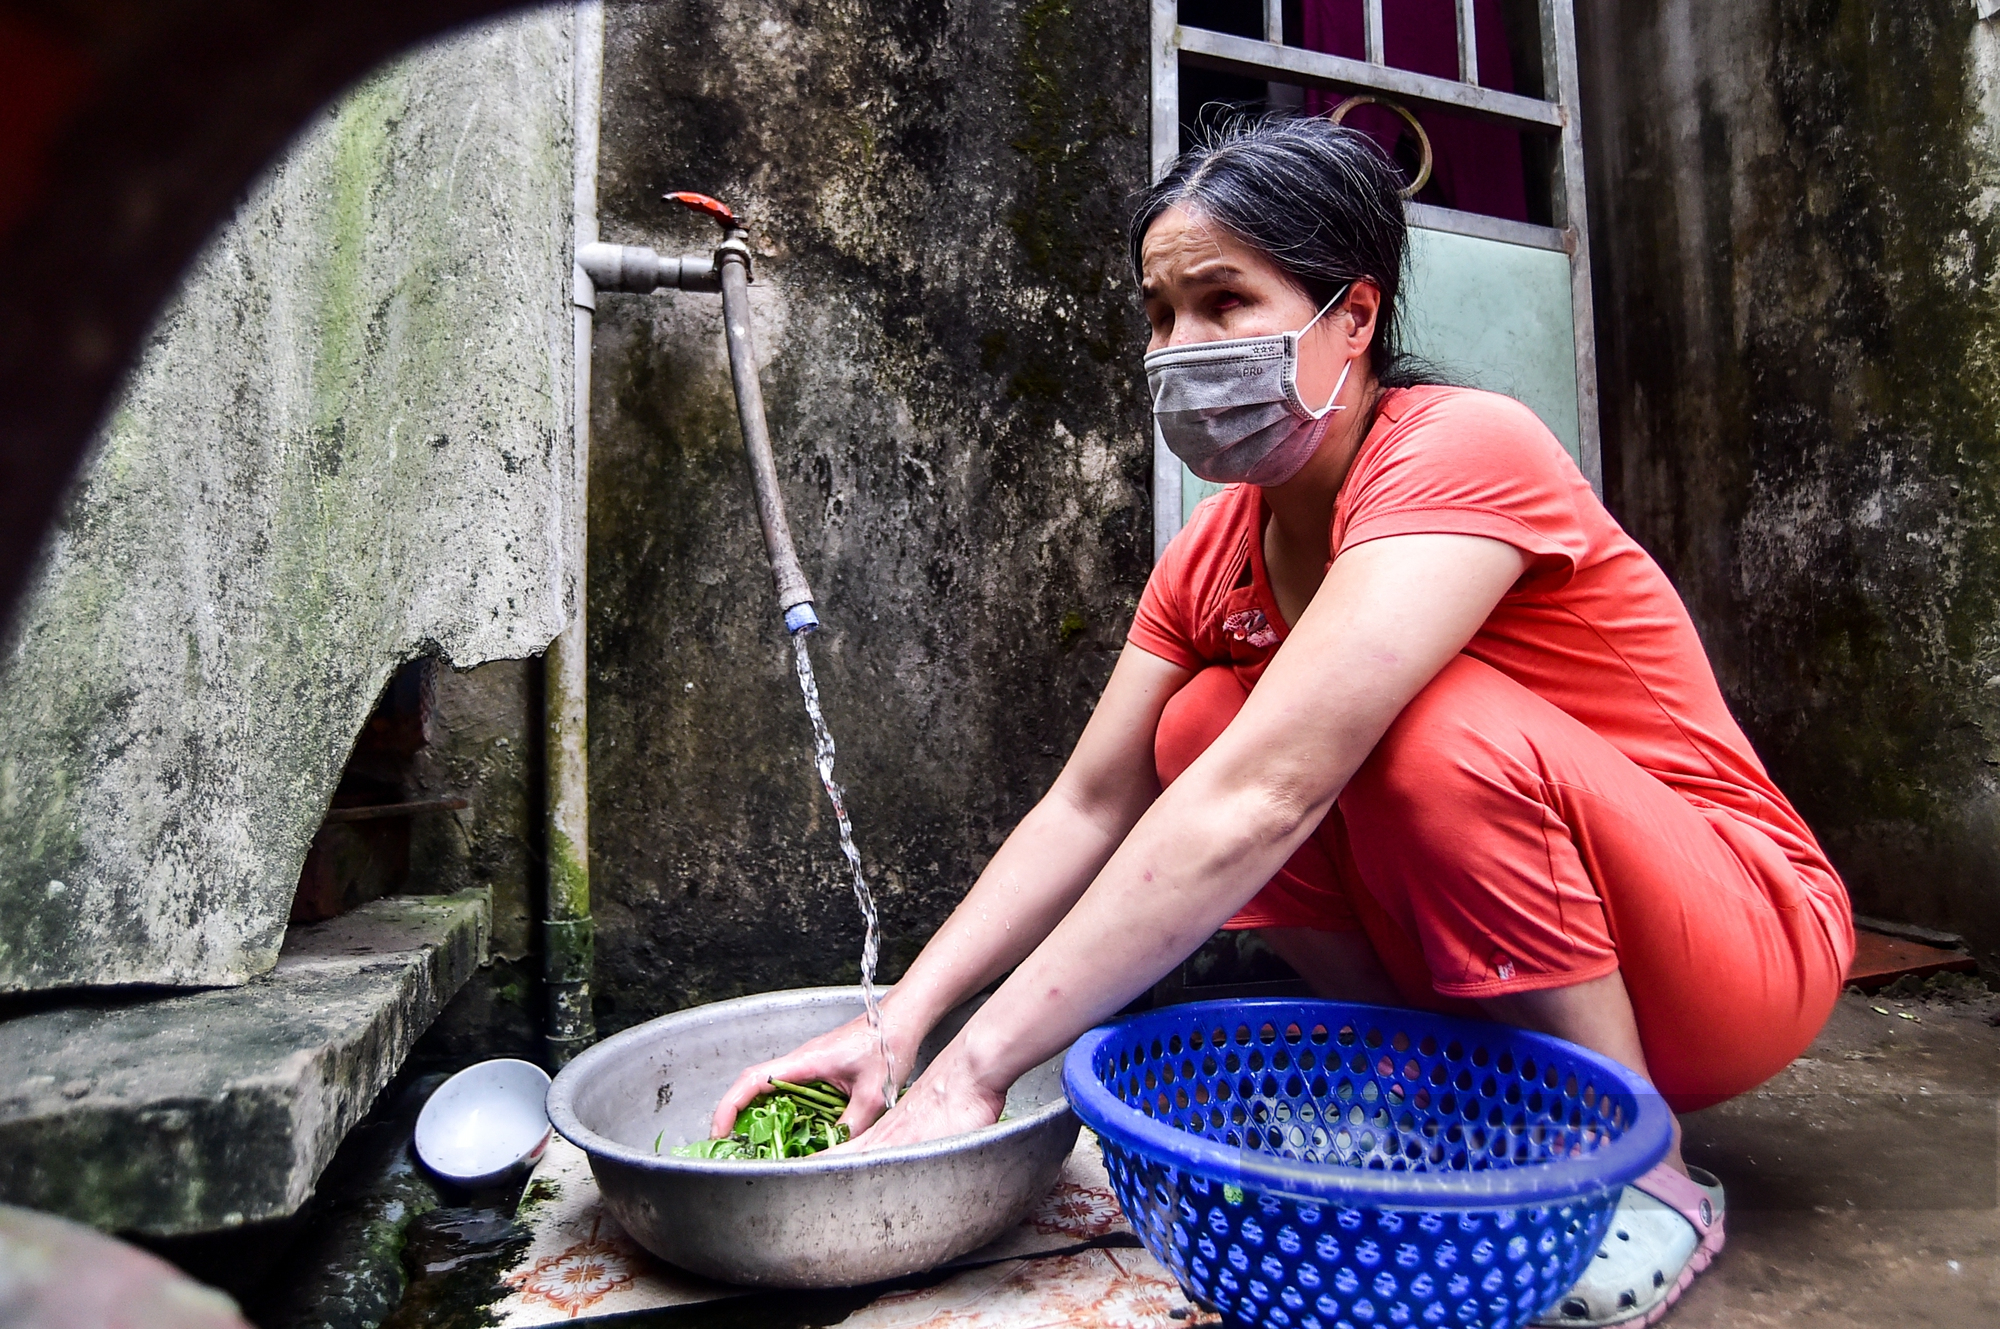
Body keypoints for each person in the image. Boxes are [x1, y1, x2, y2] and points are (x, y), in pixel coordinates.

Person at [710, 118, 1853, 1327]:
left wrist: (979, 1071)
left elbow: (1272, 794)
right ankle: (1438, 1090)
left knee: (1421, 732)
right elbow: (1089, 802)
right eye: (1158, 314)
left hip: (1735, 945)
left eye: (1223, 302)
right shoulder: (1210, 555)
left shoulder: (1462, 449)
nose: (1177, 348)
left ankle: (1641, 1174)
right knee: (1200, 721)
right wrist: (898, 1032)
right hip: (1509, 970)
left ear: (1351, 319)